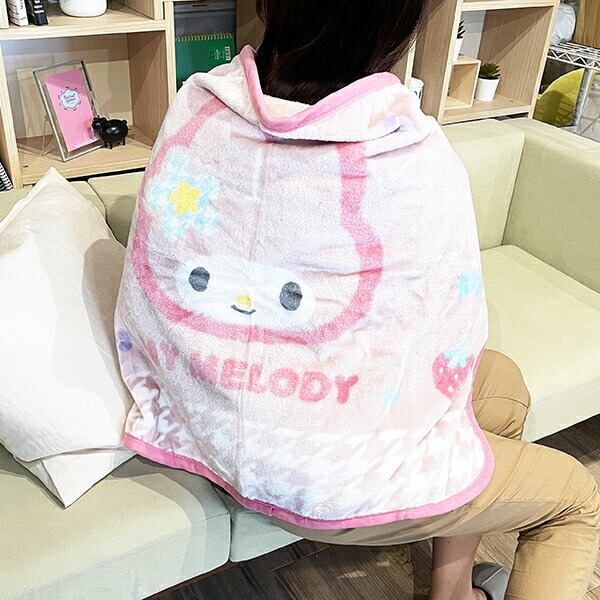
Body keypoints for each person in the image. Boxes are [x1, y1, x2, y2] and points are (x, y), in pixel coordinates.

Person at [115, 1, 600, 599]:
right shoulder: (407, 154)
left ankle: (451, 594)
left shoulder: (196, 112)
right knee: (576, 502)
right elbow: (444, 321)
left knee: (502, 388)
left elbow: (157, 286)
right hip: (324, 478)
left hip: (215, 423)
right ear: (399, 26)